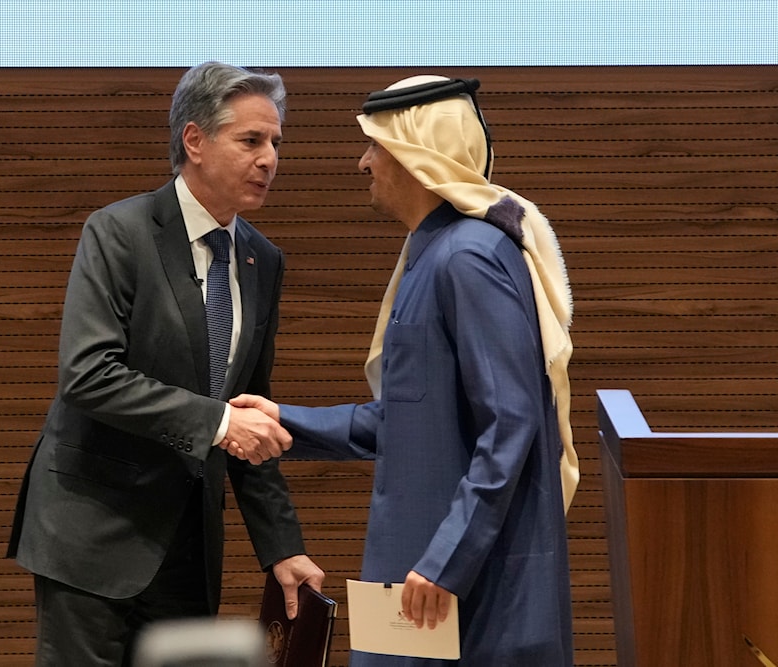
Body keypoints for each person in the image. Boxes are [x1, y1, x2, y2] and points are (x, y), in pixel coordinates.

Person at [227, 75, 578, 665]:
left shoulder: (468, 257)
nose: (363, 163)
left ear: (417, 156)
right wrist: (284, 421)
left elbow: (511, 425)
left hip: (465, 594)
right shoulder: (435, 253)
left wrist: (448, 561)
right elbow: (408, 421)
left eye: (375, 147)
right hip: (426, 582)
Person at [7, 61, 324, 667]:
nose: (269, 158)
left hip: (186, 547)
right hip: (91, 534)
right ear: (195, 140)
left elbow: (247, 412)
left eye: (276, 142)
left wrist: (281, 546)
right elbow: (88, 374)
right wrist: (220, 424)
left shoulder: (264, 261)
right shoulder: (120, 231)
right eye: (251, 140)